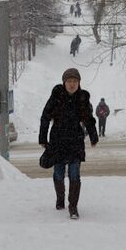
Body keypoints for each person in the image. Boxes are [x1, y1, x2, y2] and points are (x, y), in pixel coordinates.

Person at [40, 68, 98, 219]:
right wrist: (43, 138)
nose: (72, 84)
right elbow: (45, 117)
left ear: (79, 83)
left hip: (75, 141)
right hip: (58, 140)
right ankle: (60, 199)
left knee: (74, 175)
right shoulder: (57, 96)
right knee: (58, 173)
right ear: (64, 82)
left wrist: (93, 136)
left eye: (75, 81)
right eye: (69, 81)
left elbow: (88, 119)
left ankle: (73, 207)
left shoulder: (82, 97)